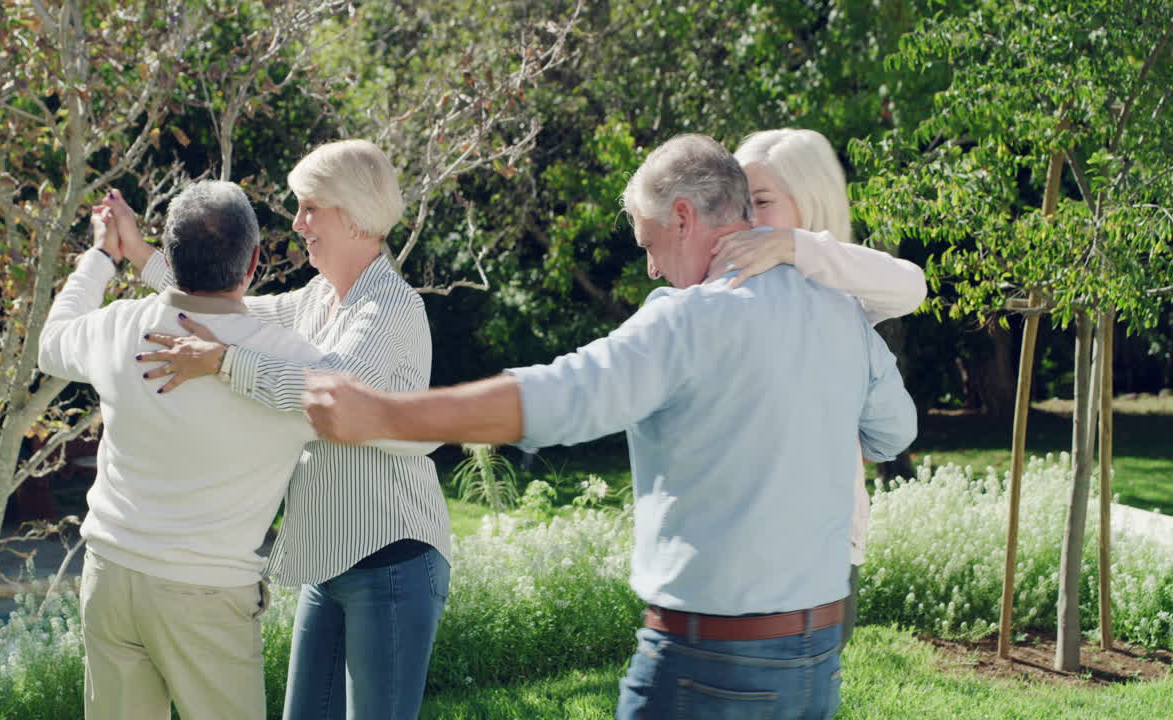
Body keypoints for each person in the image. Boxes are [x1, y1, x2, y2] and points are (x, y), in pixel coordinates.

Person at [299, 134, 918, 719]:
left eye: (649, 244)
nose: (651, 269)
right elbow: (894, 432)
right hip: (816, 657)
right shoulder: (840, 313)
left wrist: (385, 413)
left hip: (707, 661)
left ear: (683, 218)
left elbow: (556, 398)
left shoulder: (685, 322)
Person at [107, 139, 450, 720]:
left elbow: (330, 389)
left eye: (310, 208)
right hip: (328, 558)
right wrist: (139, 250)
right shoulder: (316, 300)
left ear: (353, 215)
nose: (297, 223)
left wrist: (223, 363)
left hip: (391, 560)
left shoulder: (390, 307)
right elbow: (217, 302)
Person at [38, 181, 326, 720]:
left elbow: (51, 344)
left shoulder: (119, 325)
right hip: (207, 594)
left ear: (168, 259)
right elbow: (386, 424)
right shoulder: (291, 361)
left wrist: (103, 254)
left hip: (111, 576)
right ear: (254, 262)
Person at [708, 127, 927, 646]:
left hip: (823, 549)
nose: (748, 219)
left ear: (809, 203)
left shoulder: (842, 293)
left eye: (762, 201)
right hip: (730, 543)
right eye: (739, 204)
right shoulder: (722, 293)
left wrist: (794, 246)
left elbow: (911, 286)